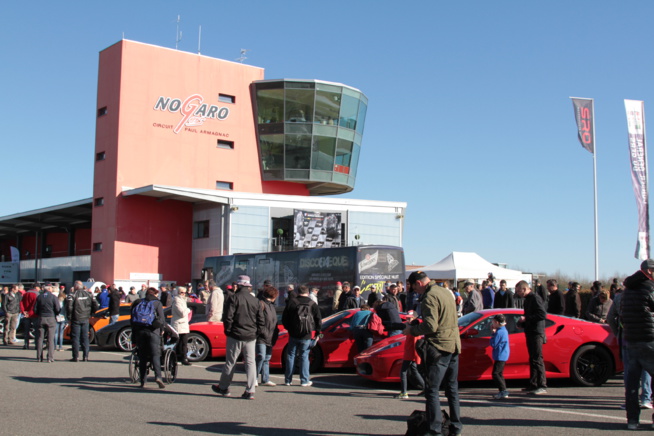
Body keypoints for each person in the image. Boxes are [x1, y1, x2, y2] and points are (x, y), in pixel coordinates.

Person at [404, 271, 462, 435]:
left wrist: (411, 330)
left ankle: (435, 429)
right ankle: (456, 426)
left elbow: (431, 326)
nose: (416, 292)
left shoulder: (429, 297)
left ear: (419, 283)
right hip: (454, 344)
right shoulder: (445, 291)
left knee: (432, 390)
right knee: (452, 389)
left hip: (440, 347)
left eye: (415, 289)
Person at [213, 275, 263, 399]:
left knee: (231, 362)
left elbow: (228, 317)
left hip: (235, 334)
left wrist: (228, 331)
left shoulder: (233, 298)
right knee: (251, 363)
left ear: (239, 285)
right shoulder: (255, 300)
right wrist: (257, 332)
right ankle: (250, 390)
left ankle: (224, 387)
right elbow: (261, 320)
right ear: (248, 286)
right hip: (251, 335)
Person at [607, 287, 653, 412]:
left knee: (630, 371)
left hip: (627, 337)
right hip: (647, 337)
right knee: (647, 369)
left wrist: (618, 334)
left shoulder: (620, 298)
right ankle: (646, 398)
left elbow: (610, 318)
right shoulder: (648, 294)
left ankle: (631, 402)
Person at [621, 259, 654, 429]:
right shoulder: (650, 288)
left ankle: (632, 420)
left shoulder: (627, 290)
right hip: (649, 339)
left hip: (631, 340)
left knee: (632, 384)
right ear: (649, 272)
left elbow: (620, 314)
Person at [282, 285, 322, 387]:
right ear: (307, 292)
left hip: (294, 333)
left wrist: (289, 328)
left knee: (291, 355)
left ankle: (288, 380)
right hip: (307, 334)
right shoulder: (312, 303)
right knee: (304, 356)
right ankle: (304, 380)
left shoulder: (292, 302)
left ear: (298, 292)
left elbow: (284, 318)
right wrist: (318, 332)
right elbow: (318, 319)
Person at [516, 280, 547, 394]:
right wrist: (522, 323)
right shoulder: (527, 299)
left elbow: (542, 314)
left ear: (524, 289)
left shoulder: (535, 298)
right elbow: (529, 315)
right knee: (533, 359)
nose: (518, 293)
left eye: (519, 291)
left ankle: (542, 385)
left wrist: (526, 319)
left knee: (537, 359)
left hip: (536, 332)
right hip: (530, 331)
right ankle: (533, 384)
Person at [131, 287, 166, 388]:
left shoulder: (138, 302)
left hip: (140, 332)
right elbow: (161, 319)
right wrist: (162, 329)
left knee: (142, 356)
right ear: (155, 294)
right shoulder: (157, 303)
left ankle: (143, 381)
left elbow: (132, 321)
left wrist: (134, 337)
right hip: (153, 331)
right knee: (155, 354)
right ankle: (158, 377)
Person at [66, 280, 99, 362]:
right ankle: (85, 356)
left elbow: (69, 307)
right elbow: (96, 304)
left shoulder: (73, 295)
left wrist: (69, 317)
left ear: (76, 287)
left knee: (75, 338)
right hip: (85, 318)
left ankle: (76, 356)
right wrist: (91, 313)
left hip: (76, 319)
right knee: (85, 338)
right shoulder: (89, 294)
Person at [395, 311, 424, 399]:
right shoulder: (411, 328)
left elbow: (416, 345)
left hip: (410, 355)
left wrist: (416, 358)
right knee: (414, 371)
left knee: (403, 372)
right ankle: (426, 388)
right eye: (407, 318)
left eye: (410, 318)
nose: (408, 320)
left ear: (414, 318)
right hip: (409, 354)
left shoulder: (414, 330)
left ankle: (404, 392)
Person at [256, 286, 279, 387]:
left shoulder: (272, 306)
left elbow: (274, 322)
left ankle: (265, 379)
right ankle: (254, 378)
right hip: (262, 336)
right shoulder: (262, 304)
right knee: (261, 356)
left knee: (267, 358)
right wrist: (263, 332)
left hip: (270, 336)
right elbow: (258, 321)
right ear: (274, 296)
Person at [34, 285, 60, 362]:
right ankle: (50, 357)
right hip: (51, 318)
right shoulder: (53, 297)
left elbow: (35, 309)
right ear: (49, 289)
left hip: (41, 317)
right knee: (50, 339)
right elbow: (57, 308)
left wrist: (39, 314)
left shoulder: (39, 297)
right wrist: (55, 313)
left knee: (40, 338)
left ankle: (39, 357)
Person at [490, 313, 510, 399]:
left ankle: (503, 391)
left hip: (500, 355)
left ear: (497, 322)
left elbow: (493, 344)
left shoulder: (499, 332)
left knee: (496, 373)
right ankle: (503, 390)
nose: (492, 324)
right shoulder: (504, 330)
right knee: (499, 373)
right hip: (503, 354)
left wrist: (493, 334)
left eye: (493, 322)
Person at [171, 286, 191, 366]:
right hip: (178, 324)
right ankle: (175, 358)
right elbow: (182, 313)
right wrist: (188, 310)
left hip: (184, 324)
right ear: (179, 293)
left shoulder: (183, 300)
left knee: (184, 342)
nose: (183, 294)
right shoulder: (176, 300)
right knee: (177, 342)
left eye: (184, 292)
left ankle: (184, 358)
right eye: (182, 292)